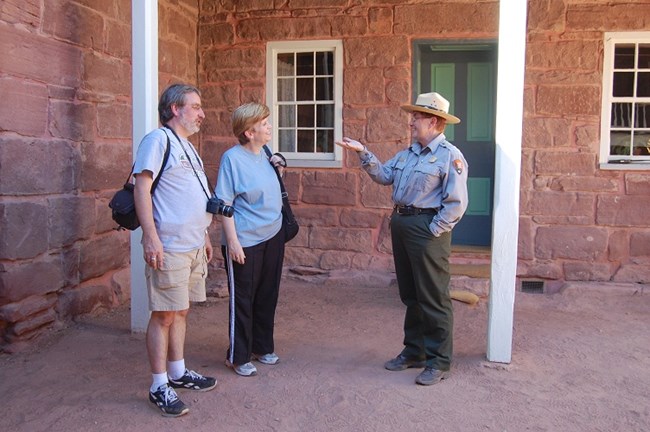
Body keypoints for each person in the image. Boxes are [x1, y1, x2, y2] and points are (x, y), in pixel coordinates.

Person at [336, 92, 469, 386]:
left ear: (433, 121)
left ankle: (439, 361)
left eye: (417, 117)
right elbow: (384, 176)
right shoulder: (408, 154)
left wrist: (433, 230)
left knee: (433, 297)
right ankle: (415, 352)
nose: (411, 122)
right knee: (410, 295)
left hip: (426, 227)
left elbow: (456, 203)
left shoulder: (450, 155)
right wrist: (363, 152)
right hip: (402, 223)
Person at [133, 83, 217, 417]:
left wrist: (206, 235)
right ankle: (158, 385)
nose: (202, 113)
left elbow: (193, 196)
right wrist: (150, 236)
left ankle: (178, 372)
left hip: (193, 244)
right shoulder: (158, 140)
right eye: (195, 106)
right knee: (164, 314)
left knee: (181, 310)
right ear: (174, 109)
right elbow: (142, 188)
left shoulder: (188, 147)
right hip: (169, 245)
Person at [215, 102, 286, 377]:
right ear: (248, 131)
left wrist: (279, 171)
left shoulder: (265, 153)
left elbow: (266, 189)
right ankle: (238, 355)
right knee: (243, 298)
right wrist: (233, 242)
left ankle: (261, 346)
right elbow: (224, 202)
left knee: (268, 294)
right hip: (245, 239)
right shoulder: (231, 159)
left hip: (273, 233)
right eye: (264, 124)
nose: (269, 127)